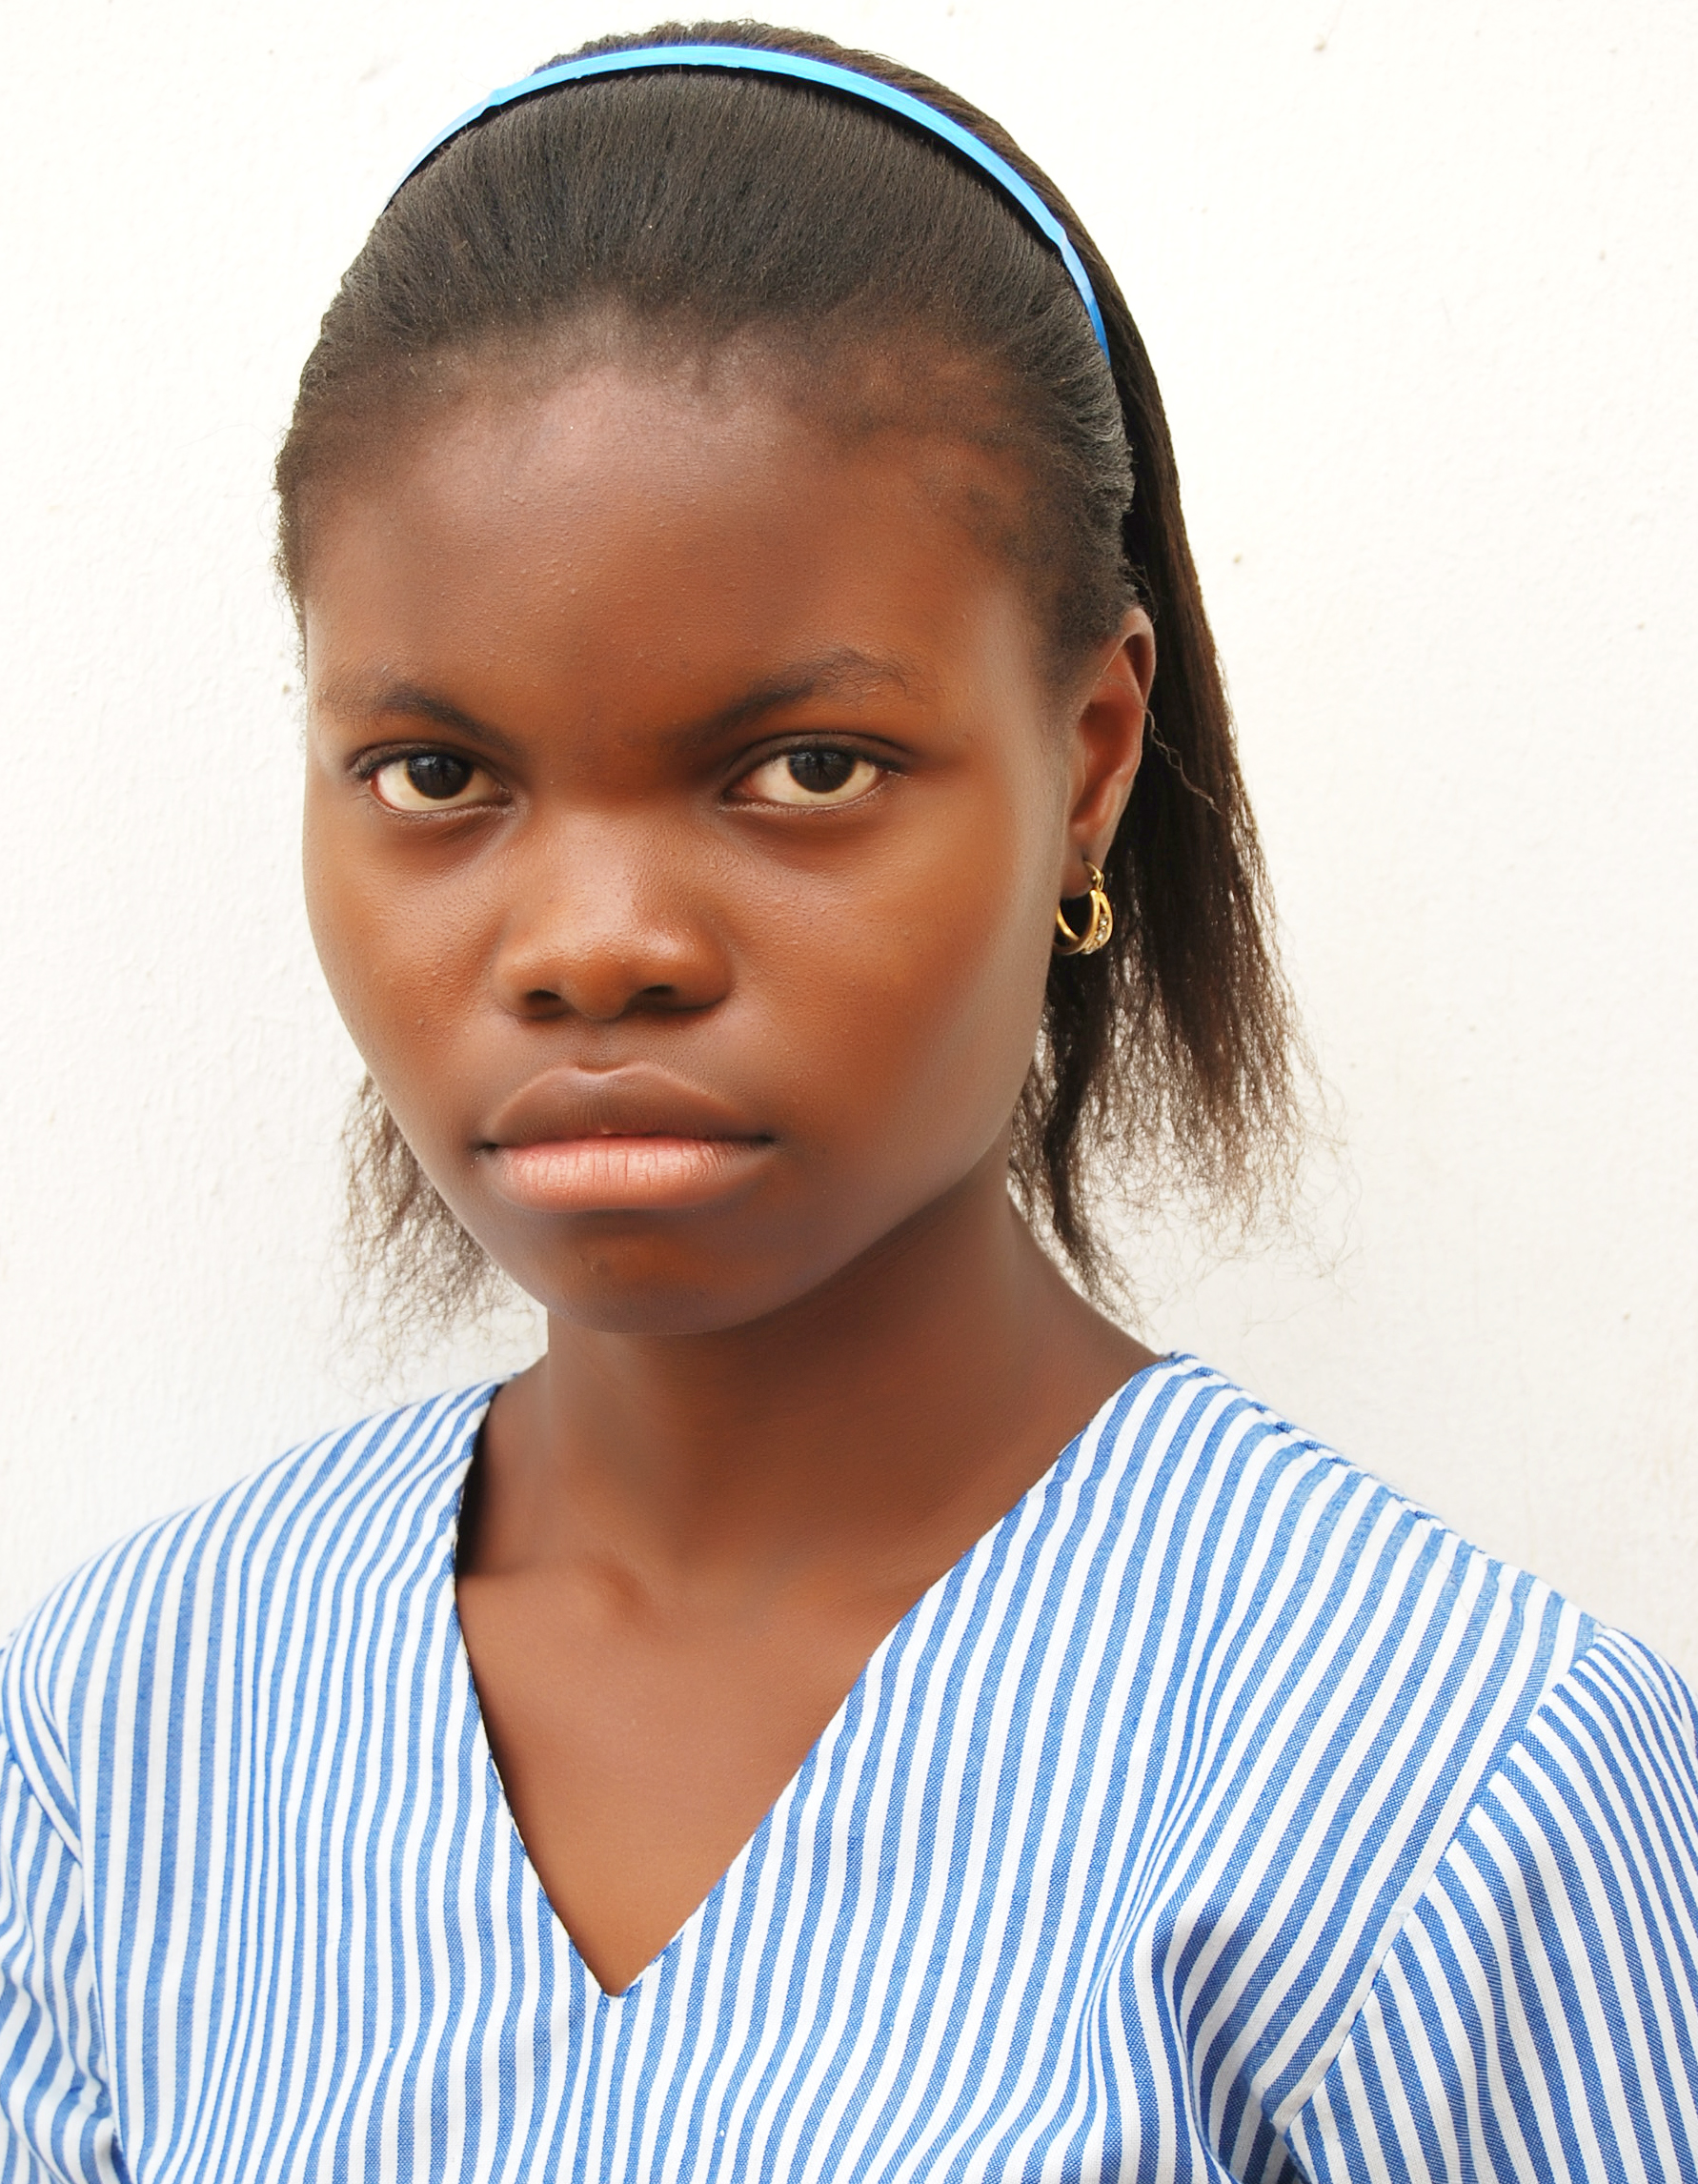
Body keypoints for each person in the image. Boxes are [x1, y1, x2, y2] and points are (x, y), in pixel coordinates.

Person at [2, 22, 1694, 2182]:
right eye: (436, 774)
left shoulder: (1454, 1790)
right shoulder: (137, 1723)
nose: (595, 943)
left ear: (1087, 762)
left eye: (803, 769)